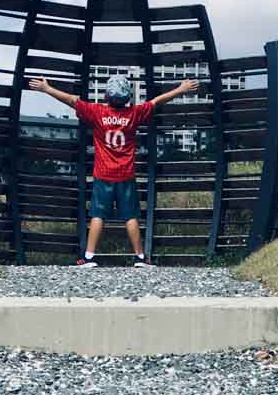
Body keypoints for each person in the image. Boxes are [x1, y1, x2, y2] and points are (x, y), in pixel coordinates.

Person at [28, 73, 199, 267]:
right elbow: (156, 102)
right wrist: (180, 89)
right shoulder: (134, 113)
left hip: (103, 174)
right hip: (126, 174)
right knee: (130, 216)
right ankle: (140, 258)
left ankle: (89, 257)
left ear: (106, 96)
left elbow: (72, 100)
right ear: (127, 97)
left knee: (98, 214)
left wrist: (47, 89)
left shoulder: (97, 112)